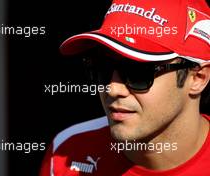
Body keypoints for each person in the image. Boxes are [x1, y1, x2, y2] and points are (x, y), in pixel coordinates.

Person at [40, 0, 210, 175]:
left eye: (138, 71)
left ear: (198, 77)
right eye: (101, 68)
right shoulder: (66, 153)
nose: (113, 90)